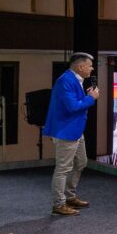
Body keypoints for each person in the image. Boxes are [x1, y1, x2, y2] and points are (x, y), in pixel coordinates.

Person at [44, 52, 99, 216]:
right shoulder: (65, 81)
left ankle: (69, 196)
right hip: (66, 131)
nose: (92, 69)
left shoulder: (75, 80)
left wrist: (87, 96)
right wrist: (91, 98)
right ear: (80, 67)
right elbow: (72, 107)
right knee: (63, 168)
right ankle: (59, 204)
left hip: (75, 130)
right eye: (90, 66)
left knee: (81, 162)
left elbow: (74, 102)